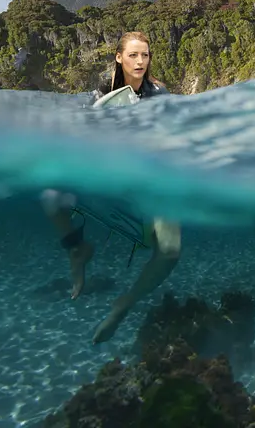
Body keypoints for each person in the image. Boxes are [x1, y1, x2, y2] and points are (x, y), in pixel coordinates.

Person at [47, 31, 181, 344]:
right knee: (51, 196)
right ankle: (78, 251)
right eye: (133, 55)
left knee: (170, 251)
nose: (140, 61)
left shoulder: (159, 93)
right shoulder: (98, 94)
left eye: (145, 55)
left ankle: (122, 306)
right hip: (110, 174)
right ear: (119, 57)